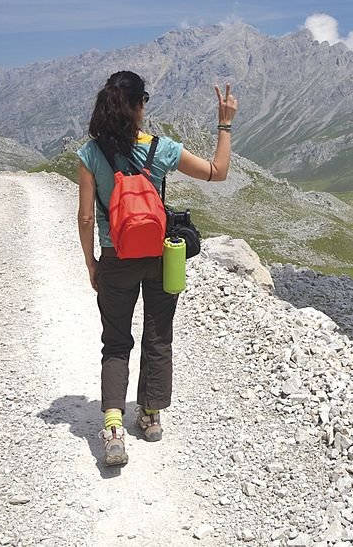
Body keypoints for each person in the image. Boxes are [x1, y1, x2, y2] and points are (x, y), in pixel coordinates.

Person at [76, 70, 237, 466]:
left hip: (116, 258)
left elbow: (83, 218)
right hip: (161, 255)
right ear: (137, 106)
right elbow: (218, 172)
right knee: (159, 335)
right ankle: (149, 415)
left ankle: (113, 427)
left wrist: (92, 263)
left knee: (115, 340)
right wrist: (224, 123)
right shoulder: (161, 149)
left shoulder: (90, 154)